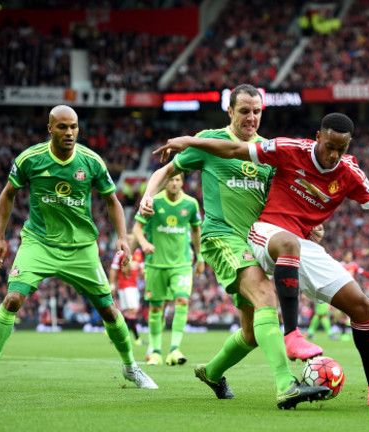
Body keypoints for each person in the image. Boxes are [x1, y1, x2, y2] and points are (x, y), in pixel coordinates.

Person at [158, 112, 369, 409]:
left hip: (301, 246)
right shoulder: (290, 149)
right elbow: (234, 150)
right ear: (318, 137)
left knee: (362, 306)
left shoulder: (349, 173)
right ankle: (292, 335)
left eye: (341, 149)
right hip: (266, 233)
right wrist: (189, 141)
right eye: (329, 146)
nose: (334, 154)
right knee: (288, 245)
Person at [139, 84, 329, 409]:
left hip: (255, 243)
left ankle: (211, 372)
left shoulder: (267, 151)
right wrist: (147, 196)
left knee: (253, 333)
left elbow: (280, 200)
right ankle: (287, 386)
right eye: (244, 111)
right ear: (230, 111)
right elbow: (166, 170)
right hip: (221, 236)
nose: (251, 117)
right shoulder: (211, 141)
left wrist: (308, 224)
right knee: (267, 296)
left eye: (256, 111)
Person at [0, 105, 157, 393]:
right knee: (13, 299)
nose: (70, 132)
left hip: (81, 247)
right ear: (50, 129)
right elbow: (8, 194)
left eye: (74, 127)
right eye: (63, 127)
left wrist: (122, 237)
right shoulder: (30, 159)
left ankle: (131, 367)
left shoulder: (91, 161)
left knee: (108, 310)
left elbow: (112, 201)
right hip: (38, 242)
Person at [133, 172, 204, 366]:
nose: (174, 183)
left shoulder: (190, 204)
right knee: (156, 307)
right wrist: (144, 243)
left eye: (178, 180)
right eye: (171, 179)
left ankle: (174, 349)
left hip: (181, 264)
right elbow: (137, 228)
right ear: (165, 182)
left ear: (182, 182)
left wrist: (200, 256)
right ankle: (155, 351)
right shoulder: (152, 202)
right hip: (155, 263)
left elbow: (196, 231)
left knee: (182, 300)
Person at [109, 234, 146, 346]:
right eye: (128, 240)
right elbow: (114, 270)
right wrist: (112, 286)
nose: (130, 242)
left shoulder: (138, 253)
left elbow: (142, 269)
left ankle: (114, 332)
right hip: (124, 286)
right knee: (132, 311)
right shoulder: (120, 254)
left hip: (134, 286)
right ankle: (136, 338)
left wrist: (147, 281)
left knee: (128, 312)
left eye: (132, 240)